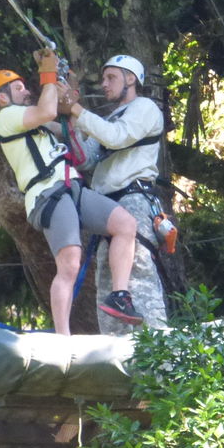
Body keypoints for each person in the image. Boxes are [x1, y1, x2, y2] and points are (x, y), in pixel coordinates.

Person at [0, 49, 144, 335]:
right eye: (18, 88)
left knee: (125, 224)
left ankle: (120, 295)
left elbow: (61, 126)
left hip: (71, 187)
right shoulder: (5, 118)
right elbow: (46, 111)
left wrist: (66, 92)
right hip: (48, 194)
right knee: (69, 264)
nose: (26, 91)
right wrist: (48, 74)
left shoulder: (29, 120)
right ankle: (63, 336)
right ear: (2, 98)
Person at [62, 54, 170, 335]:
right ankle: (115, 344)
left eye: (111, 77)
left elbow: (116, 137)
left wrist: (77, 110)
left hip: (134, 198)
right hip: (108, 206)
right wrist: (68, 120)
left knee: (138, 275)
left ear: (131, 78)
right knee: (106, 281)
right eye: (103, 78)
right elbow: (85, 159)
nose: (104, 84)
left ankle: (155, 343)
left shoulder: (144, 108)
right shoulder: (110, 119)